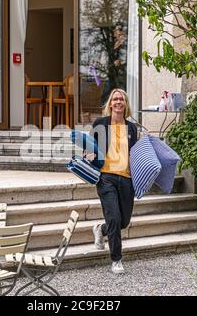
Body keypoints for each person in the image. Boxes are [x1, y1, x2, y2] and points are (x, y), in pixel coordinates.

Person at [84, 88, 137, 274]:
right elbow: (87, 146)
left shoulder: (131, 128)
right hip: (105, 177)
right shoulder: (101, 123)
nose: (118, 102)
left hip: (126, 178)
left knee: (123, 222)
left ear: (125, 103)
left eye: (121, 99)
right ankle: (116, 260)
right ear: (110, 103)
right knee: (114, 217)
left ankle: (101, 229)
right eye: (115, 99)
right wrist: (88, 154)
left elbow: (134, 153)